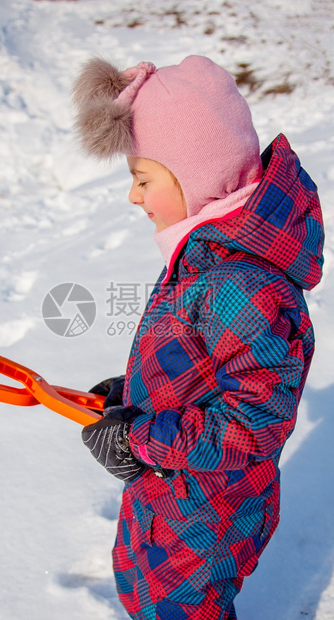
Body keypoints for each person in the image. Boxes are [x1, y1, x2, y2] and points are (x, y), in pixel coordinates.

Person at [72, 56, 324, 620]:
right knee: (150, 594)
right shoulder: (206, 257)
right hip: (177, 493)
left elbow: (257, 420)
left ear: (198, 176)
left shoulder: (239, 280)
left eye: (143, 180)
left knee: (182, 608)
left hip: (207, 509)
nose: (134, 197)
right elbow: (200, 362)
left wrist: (144, 439)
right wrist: (132, 396)